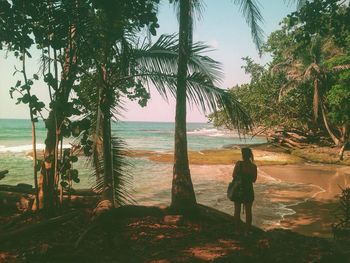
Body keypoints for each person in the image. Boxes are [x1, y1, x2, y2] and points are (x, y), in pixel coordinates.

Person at [231, 147, 257, 233]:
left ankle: (237, 230)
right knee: (248, 212)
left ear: (243, 155)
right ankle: (247, 230)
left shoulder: (239, 164)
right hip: (248, 189)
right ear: (250, 156)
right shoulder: (253, 166)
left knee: (237, 211)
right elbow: (254, 180)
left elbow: (233, 175)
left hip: (239, 189)